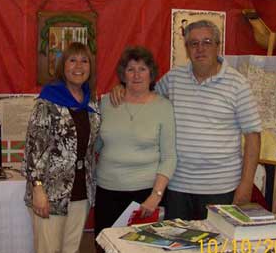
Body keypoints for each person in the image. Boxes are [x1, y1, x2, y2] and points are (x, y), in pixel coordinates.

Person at [111, 20, 261, 220]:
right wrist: (122, 87)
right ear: (186, 48)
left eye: (207, 42)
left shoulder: (238, 84)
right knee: (178, 248)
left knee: (215, 249)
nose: (200, 48)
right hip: (177, 187)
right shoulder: (174, 78)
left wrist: (246, 184)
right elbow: (145, 95)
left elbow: (253, 136)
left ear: (218, 45)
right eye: (193, 43)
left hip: (221, 188)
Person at [23, 42, 101, 253]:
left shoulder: (92, 103)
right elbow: (33, 148)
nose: (79, 67)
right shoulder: (48, 101)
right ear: (62, 66)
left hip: (80, 190)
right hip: (50, 190)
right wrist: (38, 189)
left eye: (84, 61)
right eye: (72, 61)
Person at [95, 46, 176, 236]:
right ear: (123, 74)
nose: (136, 75)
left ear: (151, 73)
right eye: (130, 69)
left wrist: (156, 196)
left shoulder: (163, 107)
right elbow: (96, 144)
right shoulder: (106, 103)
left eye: (142, 69)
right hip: (107, 191)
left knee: (142, 252)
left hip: (145, 195)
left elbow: (169, 157)